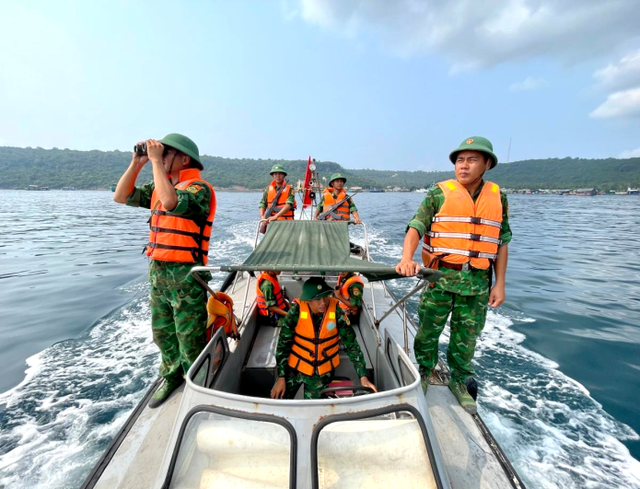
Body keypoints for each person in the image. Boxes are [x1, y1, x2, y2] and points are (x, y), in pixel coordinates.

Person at [395, 136, 512, 415]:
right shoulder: (438, 193)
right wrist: (406, 259)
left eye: (472, 160)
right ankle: (423, 373)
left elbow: (501, 242)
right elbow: (416, 226)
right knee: (427, 331)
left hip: (477, 283)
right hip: (440, 277)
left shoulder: (499, 197)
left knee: (467, 336)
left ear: (486, 164)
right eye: (460, 160)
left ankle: (459, 380)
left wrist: (500, 284)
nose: (464, 165)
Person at [113, 133, 216, 408]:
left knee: (189, 336)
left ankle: (200, 385)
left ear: (184, 159)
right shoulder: (161, 187)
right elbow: (120, 196)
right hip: (159, 274)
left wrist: (156, 161)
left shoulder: (199, 189)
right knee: (163, 333)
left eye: (166, 153)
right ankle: (171, 375)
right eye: (161, 153)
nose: (161, 157)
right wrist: (138, 162)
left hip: (186, 276)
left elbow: (171, 203)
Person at [270, 277, 377, 399]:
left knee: (314, 412)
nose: (323, 302)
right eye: (317, 299)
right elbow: (283, 344)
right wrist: (281, 377)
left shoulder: (336, 312)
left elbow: (351, 345)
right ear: (308, 301)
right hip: (295, 369)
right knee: (278, 400)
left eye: (325, 296)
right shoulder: (296, 311)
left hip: (320, 374)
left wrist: (363, 376)